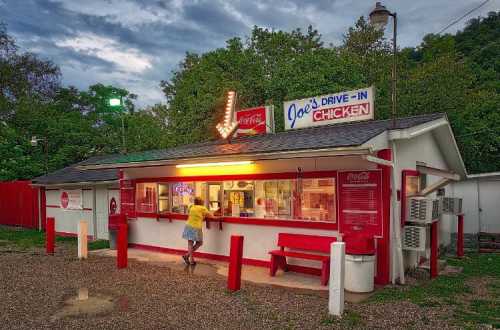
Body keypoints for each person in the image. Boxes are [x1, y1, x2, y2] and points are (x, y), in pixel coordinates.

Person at [182, 197, 217, 265]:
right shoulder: (202, 208)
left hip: (188, 226)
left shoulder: (191, 206)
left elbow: (189, 214)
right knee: (199, 243)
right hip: (196, 227)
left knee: (190, 243)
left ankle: (188, 257)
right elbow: (211, 216)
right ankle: (188, 257)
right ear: (201, 202)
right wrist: (219, 218)